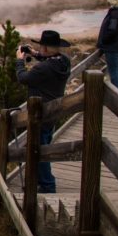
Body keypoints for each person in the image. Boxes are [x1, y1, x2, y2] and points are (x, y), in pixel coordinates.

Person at [15, 30, 72, 193]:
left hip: (41, 114)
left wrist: (20, 62)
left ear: (46, 48)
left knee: (39, 151)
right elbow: (49, 61)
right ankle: (41, 182)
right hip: (54, 112)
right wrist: (34, 53)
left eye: (41, 47)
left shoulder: (43, 69)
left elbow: (23, 78)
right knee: (43, 145)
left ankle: (47, 185)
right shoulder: (63, 62)